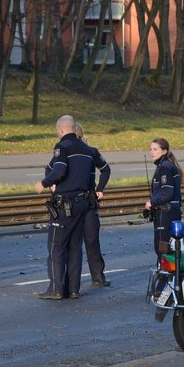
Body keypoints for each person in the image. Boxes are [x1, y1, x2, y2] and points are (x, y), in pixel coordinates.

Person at [35, 115, 96, 301]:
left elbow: (59, 170)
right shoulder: (87, 149)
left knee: (56, 245)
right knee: (75, 247)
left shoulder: (62, 147)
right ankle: (73, 289)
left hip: (65, 205)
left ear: (61, 130)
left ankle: (56, 288)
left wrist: (44, 184)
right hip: (83, 204)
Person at [75, 123, 112, 288]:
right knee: (84, 241)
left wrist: (100, 189)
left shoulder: (91, 152)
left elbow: (106, 169)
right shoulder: (64, 152)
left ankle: (98, 277)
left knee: (91, 240)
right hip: (73, 202)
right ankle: (74, 279)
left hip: (88, 201)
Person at [144, 138, 183, 263]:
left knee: (163, 248)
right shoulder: (166, 166)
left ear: (164, 151)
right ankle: (169, 275)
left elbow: (167, 192)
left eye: (155, 149)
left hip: (166, 213)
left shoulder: (165, 167)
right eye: (151, 149)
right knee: (169, 247)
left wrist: (152, 203)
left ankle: (165, 277)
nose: (151, 152)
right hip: (170, 212)